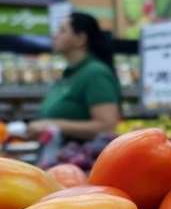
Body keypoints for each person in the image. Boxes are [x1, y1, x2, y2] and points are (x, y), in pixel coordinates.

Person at [28, 12, 121, 140]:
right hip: (60, 155)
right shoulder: (69, 73)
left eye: (62, 31)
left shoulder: (95, 73)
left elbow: (107, 126)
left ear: (80, 39)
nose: (55, 35)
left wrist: (52, 124)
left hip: (84, 157)